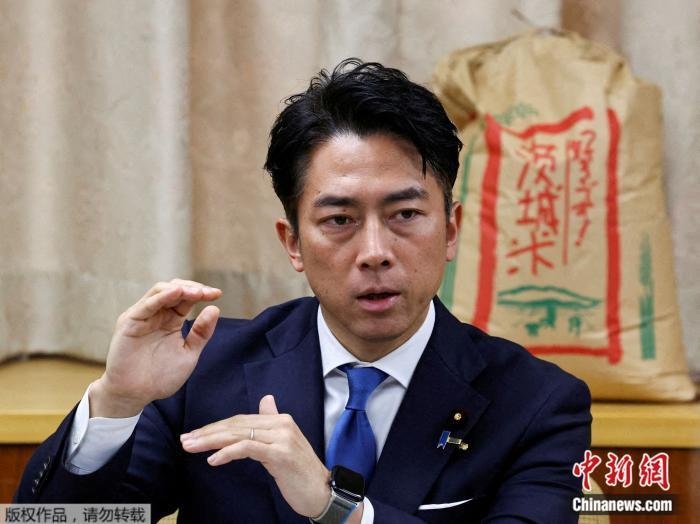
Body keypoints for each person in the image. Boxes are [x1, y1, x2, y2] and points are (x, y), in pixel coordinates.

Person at [16, 58, 591, 523]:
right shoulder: (202, 370)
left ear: (451, 230)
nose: (375, 251)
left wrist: (335, 507)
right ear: (292, 242)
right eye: (339, 220)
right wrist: (116, 404)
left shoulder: (537, 404)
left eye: (405, 214)